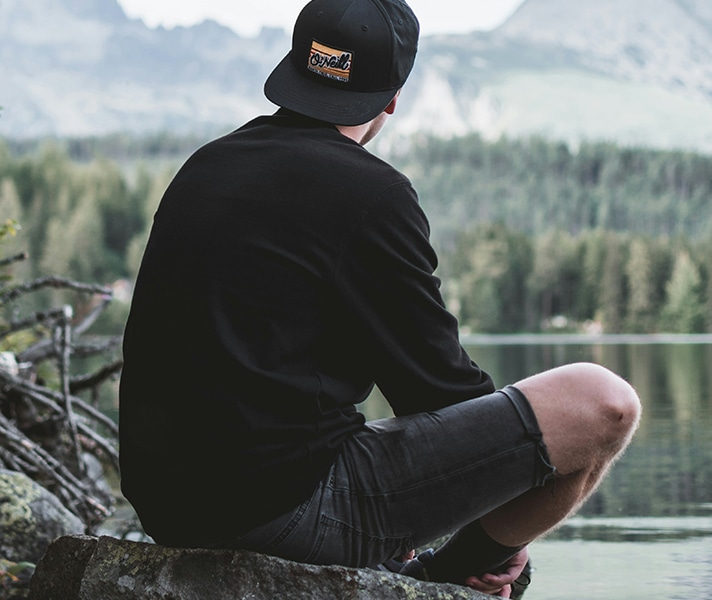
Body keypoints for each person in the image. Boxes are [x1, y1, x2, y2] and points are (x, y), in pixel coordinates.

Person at [117, 0, 641, 596]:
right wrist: (504, 513)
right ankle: (464, 571)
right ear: (391, 98)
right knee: (603, 404)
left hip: (168, 507)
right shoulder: (372, 193)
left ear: (295, 67)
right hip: (277, 512)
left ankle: (437, 567)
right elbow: (438, 390)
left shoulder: (205, 166)